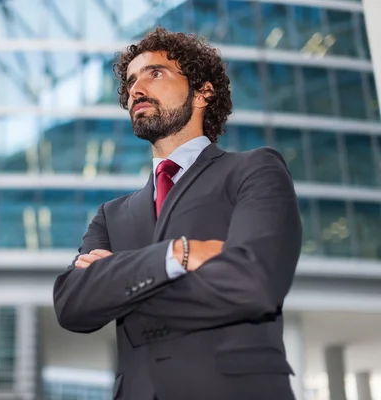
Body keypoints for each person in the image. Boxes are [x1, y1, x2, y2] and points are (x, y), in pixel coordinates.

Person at [52, 27, 302, 400]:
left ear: (203, 92)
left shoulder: (254, 170)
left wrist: (122, 283)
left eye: (155, 73)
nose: (136, 89)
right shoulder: (111, 214)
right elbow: (72, 305)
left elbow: (253, 283)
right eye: (132, 81)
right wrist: (176, 255)